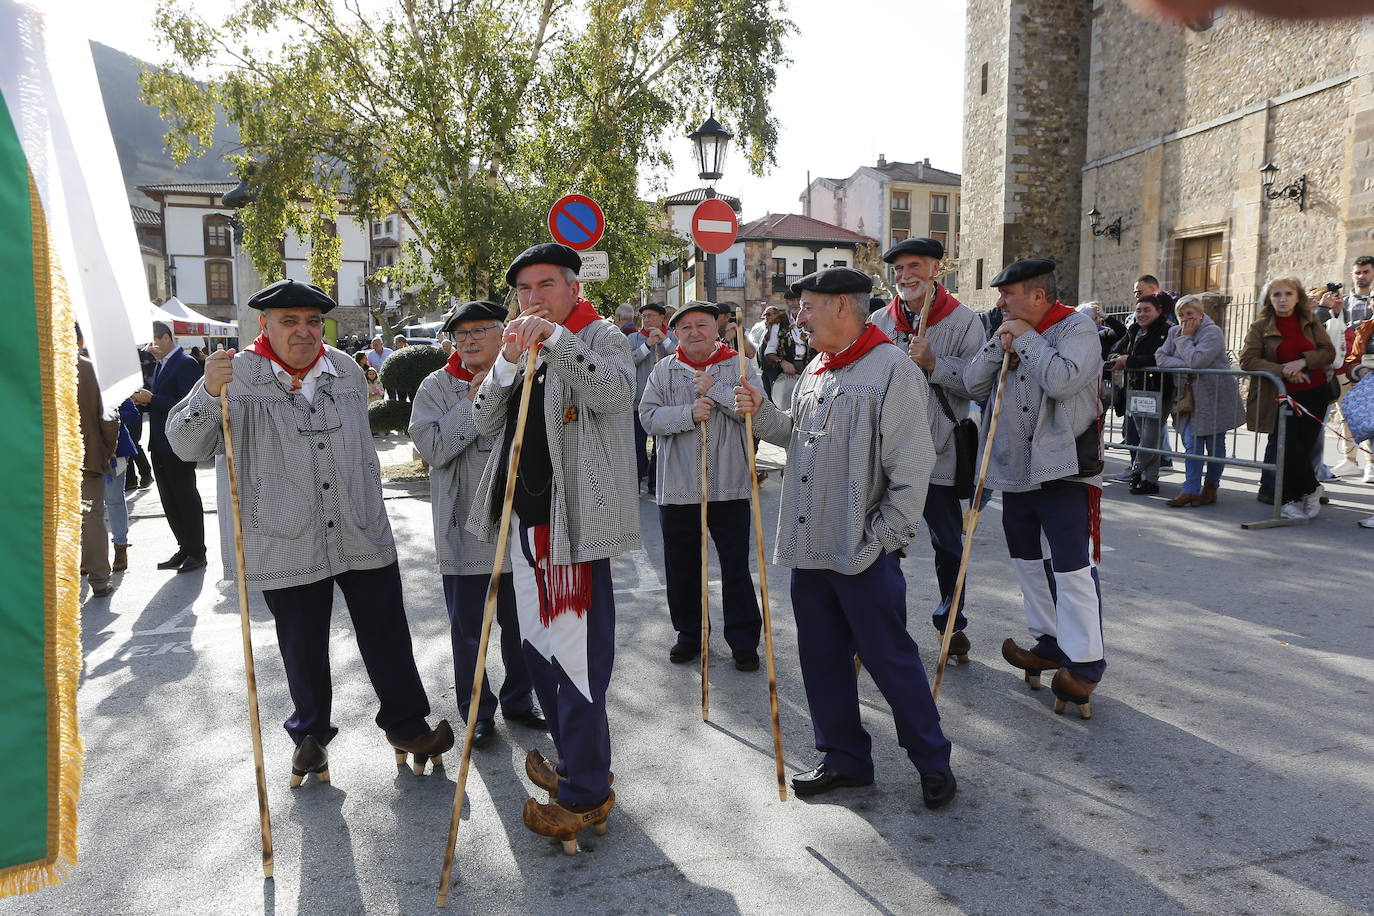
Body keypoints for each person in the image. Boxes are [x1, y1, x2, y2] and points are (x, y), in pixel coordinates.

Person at [166, 278, 454, 787]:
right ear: (265, 325)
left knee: (387, 632)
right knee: (302, 643)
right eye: (290, 321)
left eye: (313, 321)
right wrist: (209, 392)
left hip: (358, 526)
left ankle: (408, 726)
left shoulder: (343, 368)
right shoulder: (234, 374)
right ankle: (311, 740)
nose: (304, 331)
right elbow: (186, 445)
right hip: (284, 535)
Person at [734, 266, 957, 811]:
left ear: (841, 307)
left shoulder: (892, 370)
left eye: (807, 306)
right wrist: (762, 413)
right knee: (821, 657)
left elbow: (913, 466)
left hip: (863, 551)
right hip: (809, 547)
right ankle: (844, 759)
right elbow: (797, 438)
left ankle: (932, 760)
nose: (800, 317)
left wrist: (885, 538)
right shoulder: (816, 367)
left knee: (890, 659)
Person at [467, 243, 637, 849]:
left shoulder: (600, 337)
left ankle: (588, 790)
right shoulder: (522, 347)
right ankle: (573, 759)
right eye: (524, 290)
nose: (533, 299)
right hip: (524, 526)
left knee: (579, 663)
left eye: (545, 286)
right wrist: (507, 364)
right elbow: (482, 423)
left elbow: (616, 395)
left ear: (572, 288)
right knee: (540, 653)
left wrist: (558, 342)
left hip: (574, 530)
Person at [963, 258, 1106, 719]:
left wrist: (1024, 338)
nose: (1001, 302)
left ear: (1038, 296)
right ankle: (1049, 641)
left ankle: (1085, 665)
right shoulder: (1007, 326)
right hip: (1014, 470)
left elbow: (1063, 381)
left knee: (1071, 568)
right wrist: (998, 344)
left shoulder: (1077, 329)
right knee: (1026, 561)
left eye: (1010, 293)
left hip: (1063, 470)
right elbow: (971, 382)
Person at [410, 299, 545, 749]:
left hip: (517, 527)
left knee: (522, 627)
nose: (467, 341)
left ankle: (520, 701)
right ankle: (476, 711)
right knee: (470, 633)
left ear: (501, 332)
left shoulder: (528, 374)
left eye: (478, 331)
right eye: (459, 334)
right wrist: (471, 404)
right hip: (462, 530)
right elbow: (431, 448)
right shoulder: (435, 386)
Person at [871, 236, 985, 660]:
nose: (905, 277)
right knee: (884, 543)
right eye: (899, 270)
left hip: (939, 452)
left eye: (914, 267)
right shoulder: (881, 321)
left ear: (936, 269)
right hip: (888, 454)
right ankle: (885, 626)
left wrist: (936, 364)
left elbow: (979, 383)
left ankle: (951, 622)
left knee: (949, 545)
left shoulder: (964, 321)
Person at [638, 302, 763, 669]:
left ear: (716, 328)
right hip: (677, 487)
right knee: (682, 566)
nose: (694, 332)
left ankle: (743, 640)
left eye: (702, 325)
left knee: (735, 566)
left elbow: (755, 411)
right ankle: (689, 634)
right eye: (687, 327)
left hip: (729, 485)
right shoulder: (664, 370)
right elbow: (647, 418)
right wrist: (687, 414)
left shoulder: (739, 366)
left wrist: (718, 391)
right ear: (676, 332)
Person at [1241, 277, 1336, 520]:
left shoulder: (1311, 321)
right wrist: (1283, 369)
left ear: (1298, 297)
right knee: (1287, 448)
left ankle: (1298, 494)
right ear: (1269, 299)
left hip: (1314, 393)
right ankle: (1303, 492)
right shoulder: (1260, 326)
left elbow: (1328, 352)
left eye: (1288, 294)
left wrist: (1303, 361)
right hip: (1280, 395)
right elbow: (1248, 360)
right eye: (1277, 295)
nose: (1282, 299)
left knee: (1303, 448)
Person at [1154, 295, 1245, 507]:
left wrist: (1186, 340)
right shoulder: (1173, 331)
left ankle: (1211, 486)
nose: (1186, 319)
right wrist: (1184, 361)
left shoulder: (1212, 332)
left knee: (1214, 445)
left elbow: (1197, 361)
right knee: (1191, 443)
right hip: (1188, 398)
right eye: (1182, 315)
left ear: (1200, 314)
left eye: (1190, 314)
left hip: (1214, 396)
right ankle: (1190, 489)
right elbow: (1160, 358)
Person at [131, 321, 206, 573]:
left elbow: (189, 404)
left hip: (179, 444)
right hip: (160, 443)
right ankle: (184, 547)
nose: (149, 349)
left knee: (185, 497)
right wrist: (144, 402)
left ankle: (197, 551)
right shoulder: (160, 365)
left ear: (165, 338)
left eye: (152, 343)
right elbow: (162, 402)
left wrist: (152, 399)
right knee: (169, 499)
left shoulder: (186, 364)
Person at [1107, 294, 1173, 496]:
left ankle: (1137, 471)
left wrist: (1128, 361)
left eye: (1147, 310)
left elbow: (1158, 358)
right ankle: (1150, 480)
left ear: (1158, 311)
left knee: (1150, 436)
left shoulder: (1167, 331)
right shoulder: (1133, 330)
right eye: (1139, 310)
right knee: (1143, 434)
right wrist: (1118, 358)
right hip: (1135, 390)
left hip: (1158, 389)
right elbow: (1114, 352)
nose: (1142, 314)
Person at [77, 326, 119, 597]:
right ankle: (99, 580)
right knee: (90, 516)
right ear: (80, 339)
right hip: (87, 457)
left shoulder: (38, 368)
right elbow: (109, 416)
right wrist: (106, 449)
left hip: (47, 460)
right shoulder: (90, 369)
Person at [626, 303, 677, 495]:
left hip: (664, 403)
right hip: (637, 402)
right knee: (638, 446)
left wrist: (663, 341)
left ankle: (655, 483)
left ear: (662, 318)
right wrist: (647, 345)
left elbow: (680, 356)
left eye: (651, 316)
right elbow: (628, 361)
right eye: (644, 316)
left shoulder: (671, 337)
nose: (647, 320)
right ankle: (635, 484)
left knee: (660, 447)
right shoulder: (633, 338)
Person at [1340, 256, 1374, 480]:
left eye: (1366, 272)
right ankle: (1350, 460)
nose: (1361, 276)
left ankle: (1370, 463)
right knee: (1351, 414)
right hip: (1354, 368)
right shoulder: (1344, 303)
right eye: (1357, 272)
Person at [104, 397, 141, 572]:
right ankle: (88, 553)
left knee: (114, 500)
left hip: (116, 452)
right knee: (87, 504)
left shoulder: (112, 384)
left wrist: (106, 419)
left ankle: (120, 547)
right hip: (85, 451)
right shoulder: (72, 381)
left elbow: (132, 413)